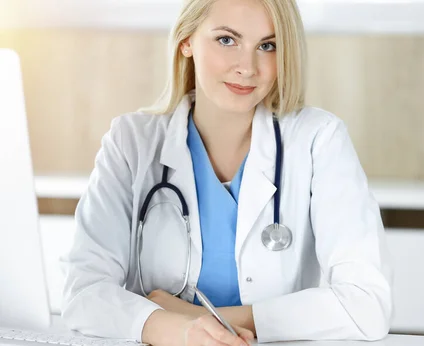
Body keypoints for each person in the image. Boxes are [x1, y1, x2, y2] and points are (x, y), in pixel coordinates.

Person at [61, 0, 392, 345]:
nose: (247, 68)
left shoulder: (317, 140)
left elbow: (367, 304)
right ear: (186, 41)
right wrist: (180, 332)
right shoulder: (132, 142)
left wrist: (196, 318)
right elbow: (84, 293)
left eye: (267, 46)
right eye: (226, 40)